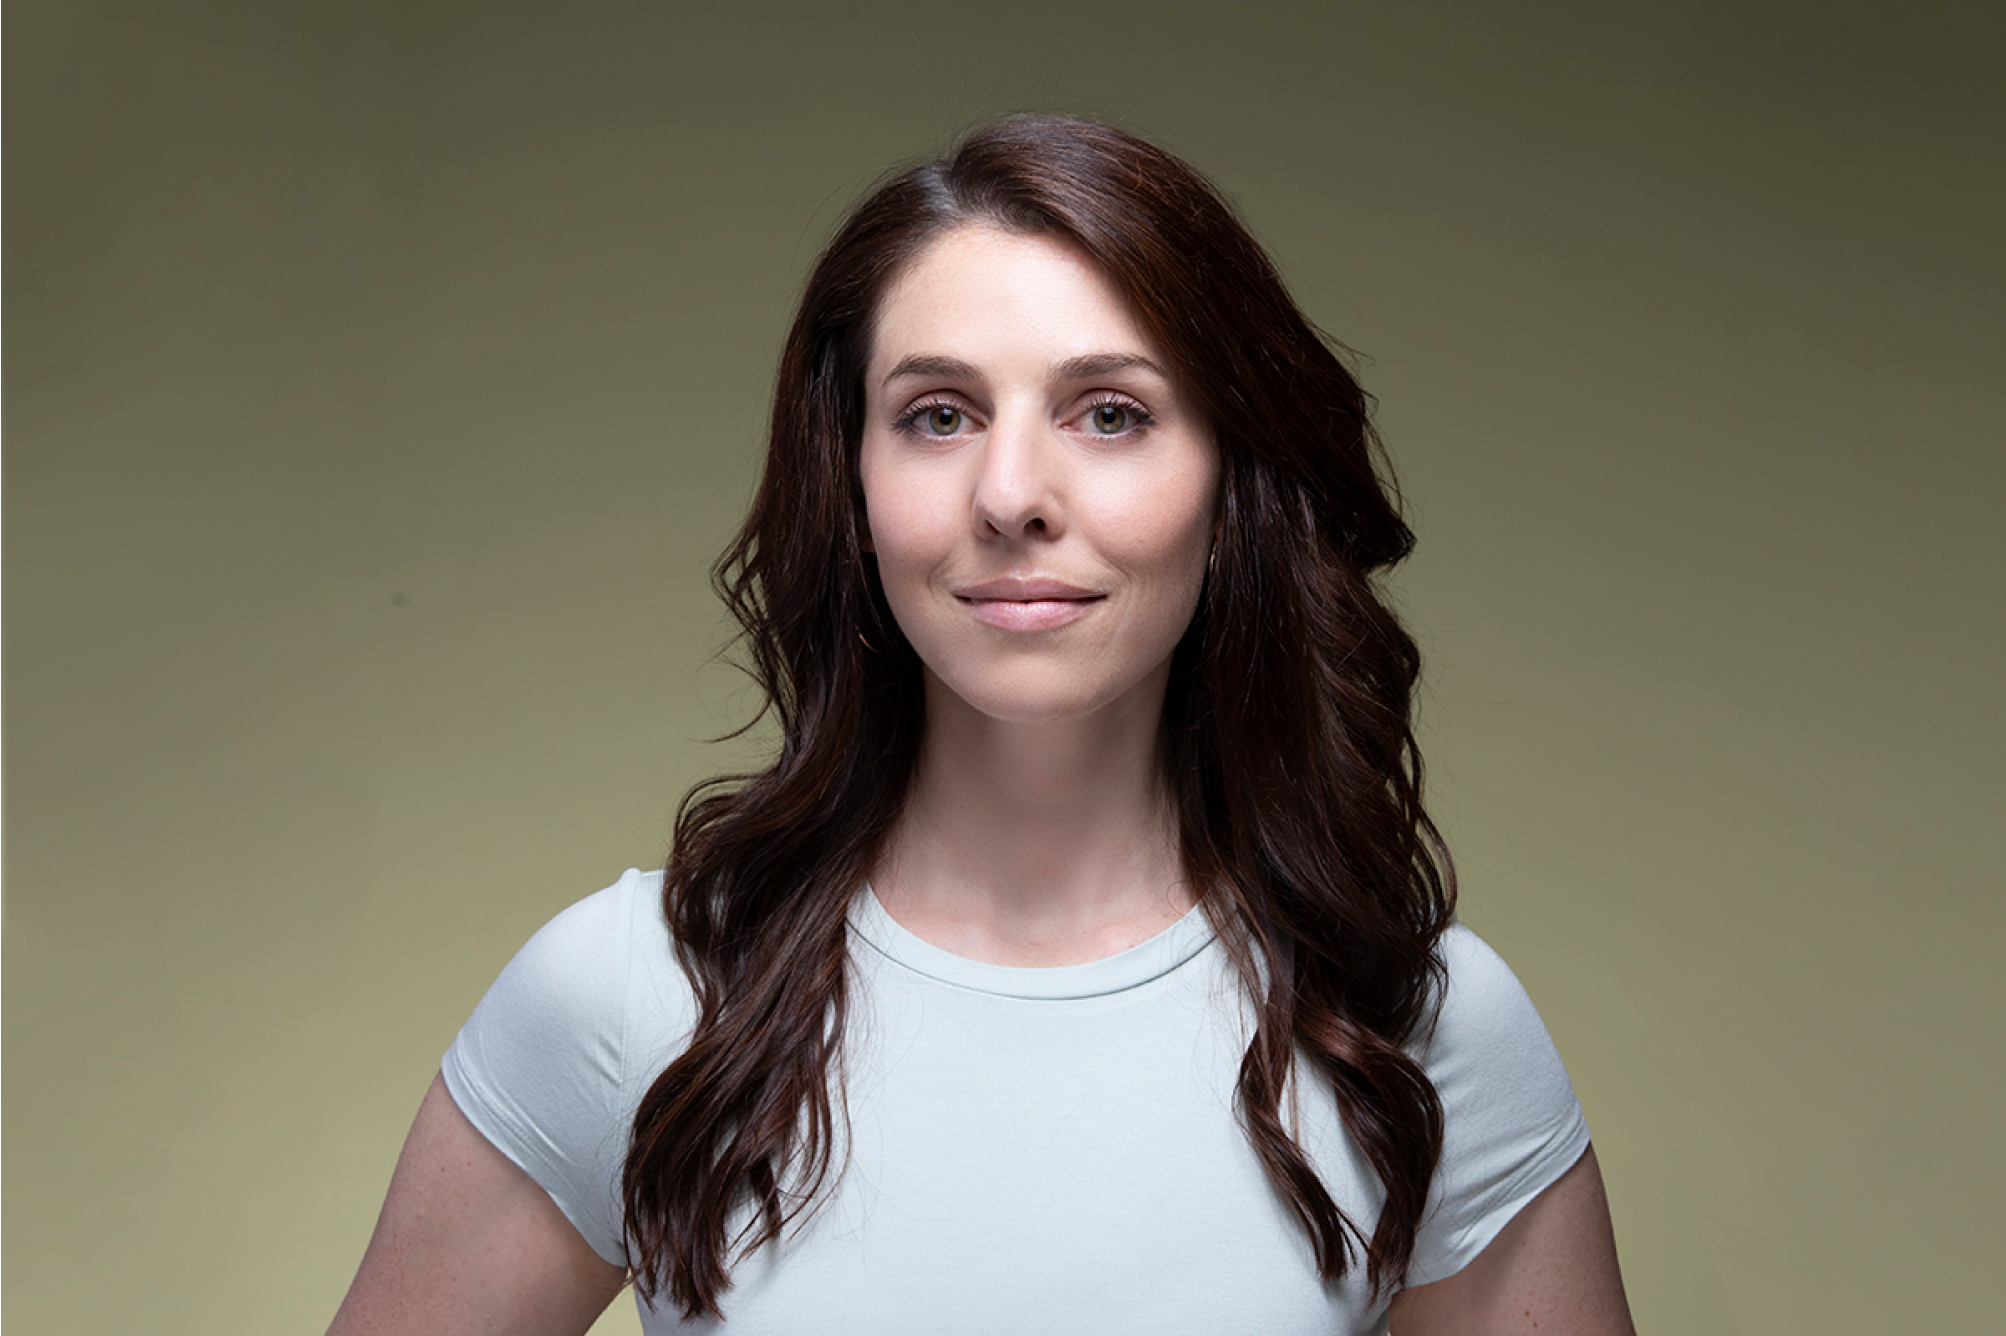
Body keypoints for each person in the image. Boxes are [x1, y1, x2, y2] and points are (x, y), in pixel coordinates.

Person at [328, 116, 1635, 1335]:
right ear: (851, 481)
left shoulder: (1418, 1026)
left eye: (1109, 413)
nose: (1010, 493)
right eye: (937, 415)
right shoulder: (630, 997)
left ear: (1231, 482)